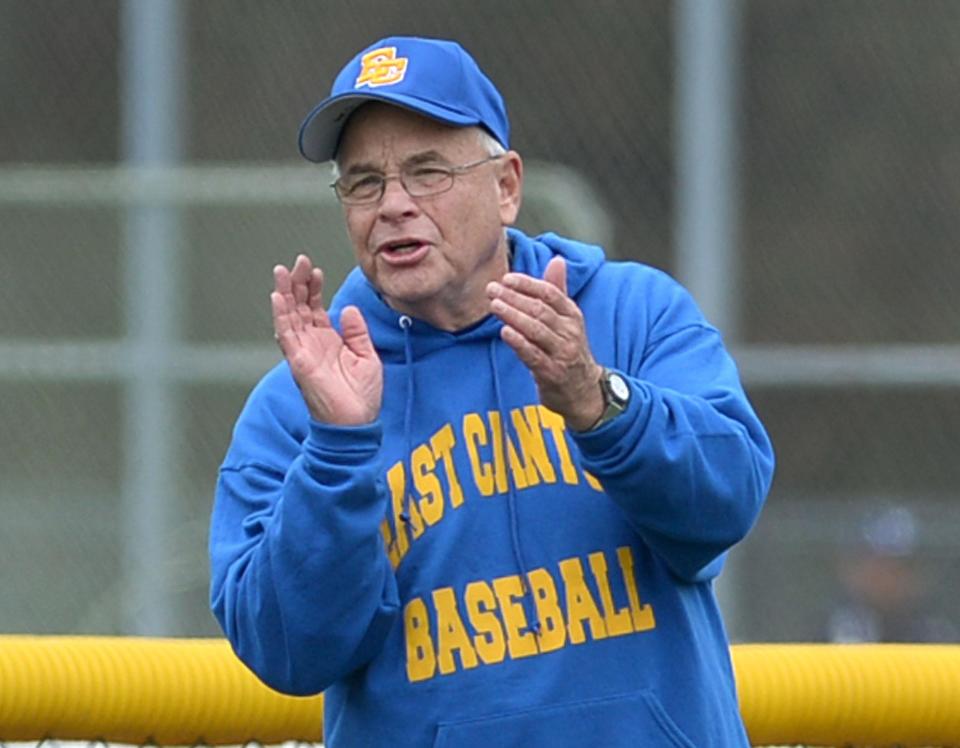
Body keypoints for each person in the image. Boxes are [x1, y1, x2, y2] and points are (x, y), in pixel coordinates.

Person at [209, 35, 775, 747]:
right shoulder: (305, 398)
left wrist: (599, 402)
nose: (394, 206)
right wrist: (337, 453)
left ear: (506, 186)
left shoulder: (629, 315)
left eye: (428, 172)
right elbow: (287, 651)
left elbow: (727, 501)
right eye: (363, 183)